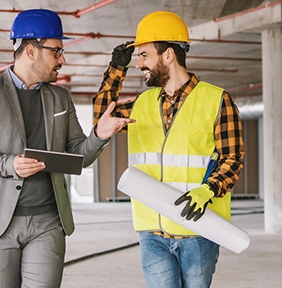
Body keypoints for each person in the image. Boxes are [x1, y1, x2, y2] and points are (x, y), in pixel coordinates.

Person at [0, 8, 133, 288]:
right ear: (30, 51)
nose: (62, 59)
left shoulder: (60, 97)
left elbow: (78, 156)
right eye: (56, 51)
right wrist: (9, 164)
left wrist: (100, 134)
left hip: (48, 221)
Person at [93, 10, 244, 288]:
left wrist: (208, 189)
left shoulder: (217, 100)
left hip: (198, 229)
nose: (139, 64)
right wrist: (116, 70)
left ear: (168, 55)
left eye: (144, 55)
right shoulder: (142, 103)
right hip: (152, 231)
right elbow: (102, 119)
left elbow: (232, 158)